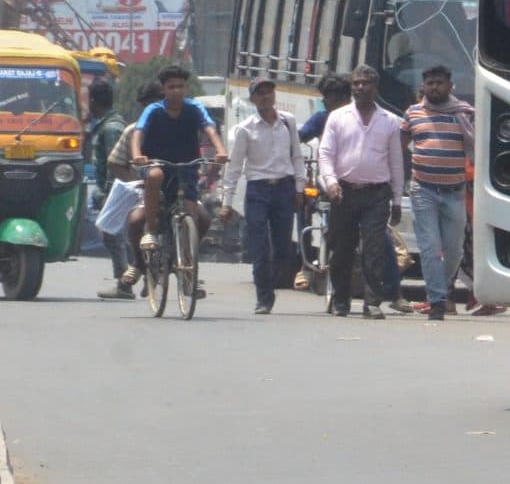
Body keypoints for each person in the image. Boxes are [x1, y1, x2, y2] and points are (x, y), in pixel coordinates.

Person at [318, 65, 405, 319]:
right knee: (342, 249)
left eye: (365, 83)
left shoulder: (389, 121)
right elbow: (325, 154)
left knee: (374, 248)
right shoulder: (338, 117)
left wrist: (397, 200)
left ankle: (373, 302)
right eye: (356, 83)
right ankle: (341, 300)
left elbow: (396, 163)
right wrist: (331, 182)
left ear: (375, 87)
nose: (359, 88)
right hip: (343, 192)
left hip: (376, 194)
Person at [131, 66, 225, 296]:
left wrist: (220, 150)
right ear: (163, 89)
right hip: (156, 166)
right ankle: (152, 232)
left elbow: (210, 130)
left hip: (186, 169)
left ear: (186, 88)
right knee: (155, 176)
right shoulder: (154, 110)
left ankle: (188, 269)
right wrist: (137, 155)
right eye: (171, 87)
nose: (176, 91)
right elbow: (138, 133)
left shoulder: (194, 108)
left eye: (181, 86)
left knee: (197, 217)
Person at [219, 79, 301, 315]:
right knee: (259, 246)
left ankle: (271, 284)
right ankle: (263, 298)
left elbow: (296, 156)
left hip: (284, 188)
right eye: (260, 93)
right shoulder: (245, 128)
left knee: (283, 247)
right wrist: (227, 203)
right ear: (253, 99)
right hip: (257, 190)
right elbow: (234, 168)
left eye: (269, 92)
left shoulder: (288, 121)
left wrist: (299, 188)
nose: (266, 97)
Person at [401, 64, 474, 320]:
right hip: (423, 190)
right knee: (431, 248)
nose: (434, 87)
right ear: (423, 87)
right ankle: (437, 300)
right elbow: (400, 146)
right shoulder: (412, 114)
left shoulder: (464, 113)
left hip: (455, 192)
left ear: (449, 86)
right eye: (430, 83)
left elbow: (478, 145)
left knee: (454, 251)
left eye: (439, 82)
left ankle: (439, 291)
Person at [85, 79, 135, 297]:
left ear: (93, 101)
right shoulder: (106, 125)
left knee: (112, 234)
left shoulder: (112, 128)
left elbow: (115, 163)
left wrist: (107, 195)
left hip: (117, 189)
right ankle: (126, 278)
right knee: (112, 234)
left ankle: (125, 281)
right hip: (114, 189)